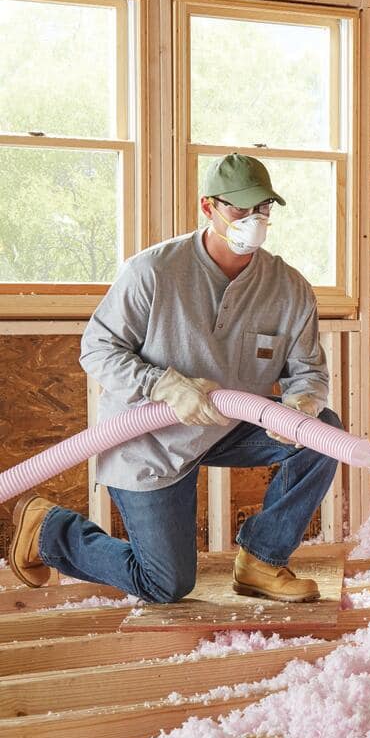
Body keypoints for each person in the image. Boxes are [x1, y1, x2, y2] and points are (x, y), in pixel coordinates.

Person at [6, 154, 339, 603]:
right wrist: (162, 385)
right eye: (241, 209)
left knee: (323, 432)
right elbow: (98, 349)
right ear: (209, 207)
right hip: (150, 441)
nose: (254, 220)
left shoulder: (288, 287)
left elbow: (309, 372)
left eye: (263, 209)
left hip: (227, 426)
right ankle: (50, 531)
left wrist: (302, 405)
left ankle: (262, 559)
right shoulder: (154, 271)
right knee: (165, 584)